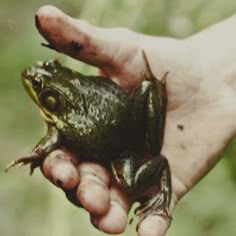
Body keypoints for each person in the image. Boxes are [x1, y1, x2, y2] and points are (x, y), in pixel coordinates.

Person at [35, 5, 236, 236]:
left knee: (129, 184)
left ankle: (161, 176)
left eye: (41, 85)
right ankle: (154, 88)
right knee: (145, 89)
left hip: (124, 151)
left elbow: (52, 139)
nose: (34, 76)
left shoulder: (59, 125)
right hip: (128, 117)